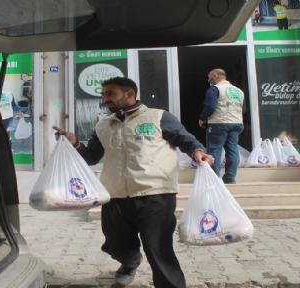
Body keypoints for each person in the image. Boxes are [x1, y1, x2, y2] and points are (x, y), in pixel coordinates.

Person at [53, 77, 213, 288]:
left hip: (155, 193)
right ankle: (130, 262)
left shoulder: (158, 117)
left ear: (129, 94)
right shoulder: (103, 125)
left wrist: (198, 152)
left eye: (110, 93)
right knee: (117, 245)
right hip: (115, 194)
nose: (104, 99)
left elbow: (185, 140)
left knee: (158, 248)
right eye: (103, 94)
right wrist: (74, 144)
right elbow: (91, 156)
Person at [198, 69, 245, 184]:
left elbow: (211, 106)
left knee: (214, 149)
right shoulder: (239, 91)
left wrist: (202, 118)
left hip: (219, 123)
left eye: (209, 77)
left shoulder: (214, 89)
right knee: (233, 149)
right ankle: (230, 177)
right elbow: (244, 109)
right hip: (237, 123)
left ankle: (214, 179)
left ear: (215, 76)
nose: (208, 80)